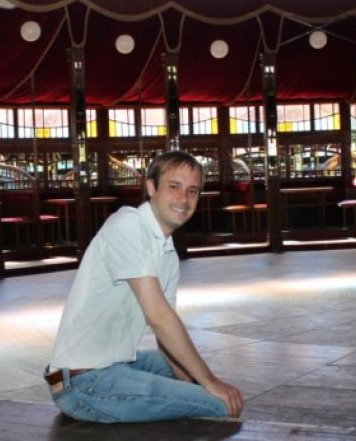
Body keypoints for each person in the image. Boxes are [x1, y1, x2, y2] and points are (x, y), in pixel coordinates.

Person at [45, 150, 243, 423]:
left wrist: (190, 382)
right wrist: (208, 384)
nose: (184, 199)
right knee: (218, 404)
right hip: (84, 381)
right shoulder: (128, 225)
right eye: (174, 187)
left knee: (193, 372)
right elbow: (159, 318)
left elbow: (166, 338)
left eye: (193, 191)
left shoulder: (167, 253)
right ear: (151, 187)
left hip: (115, 364)